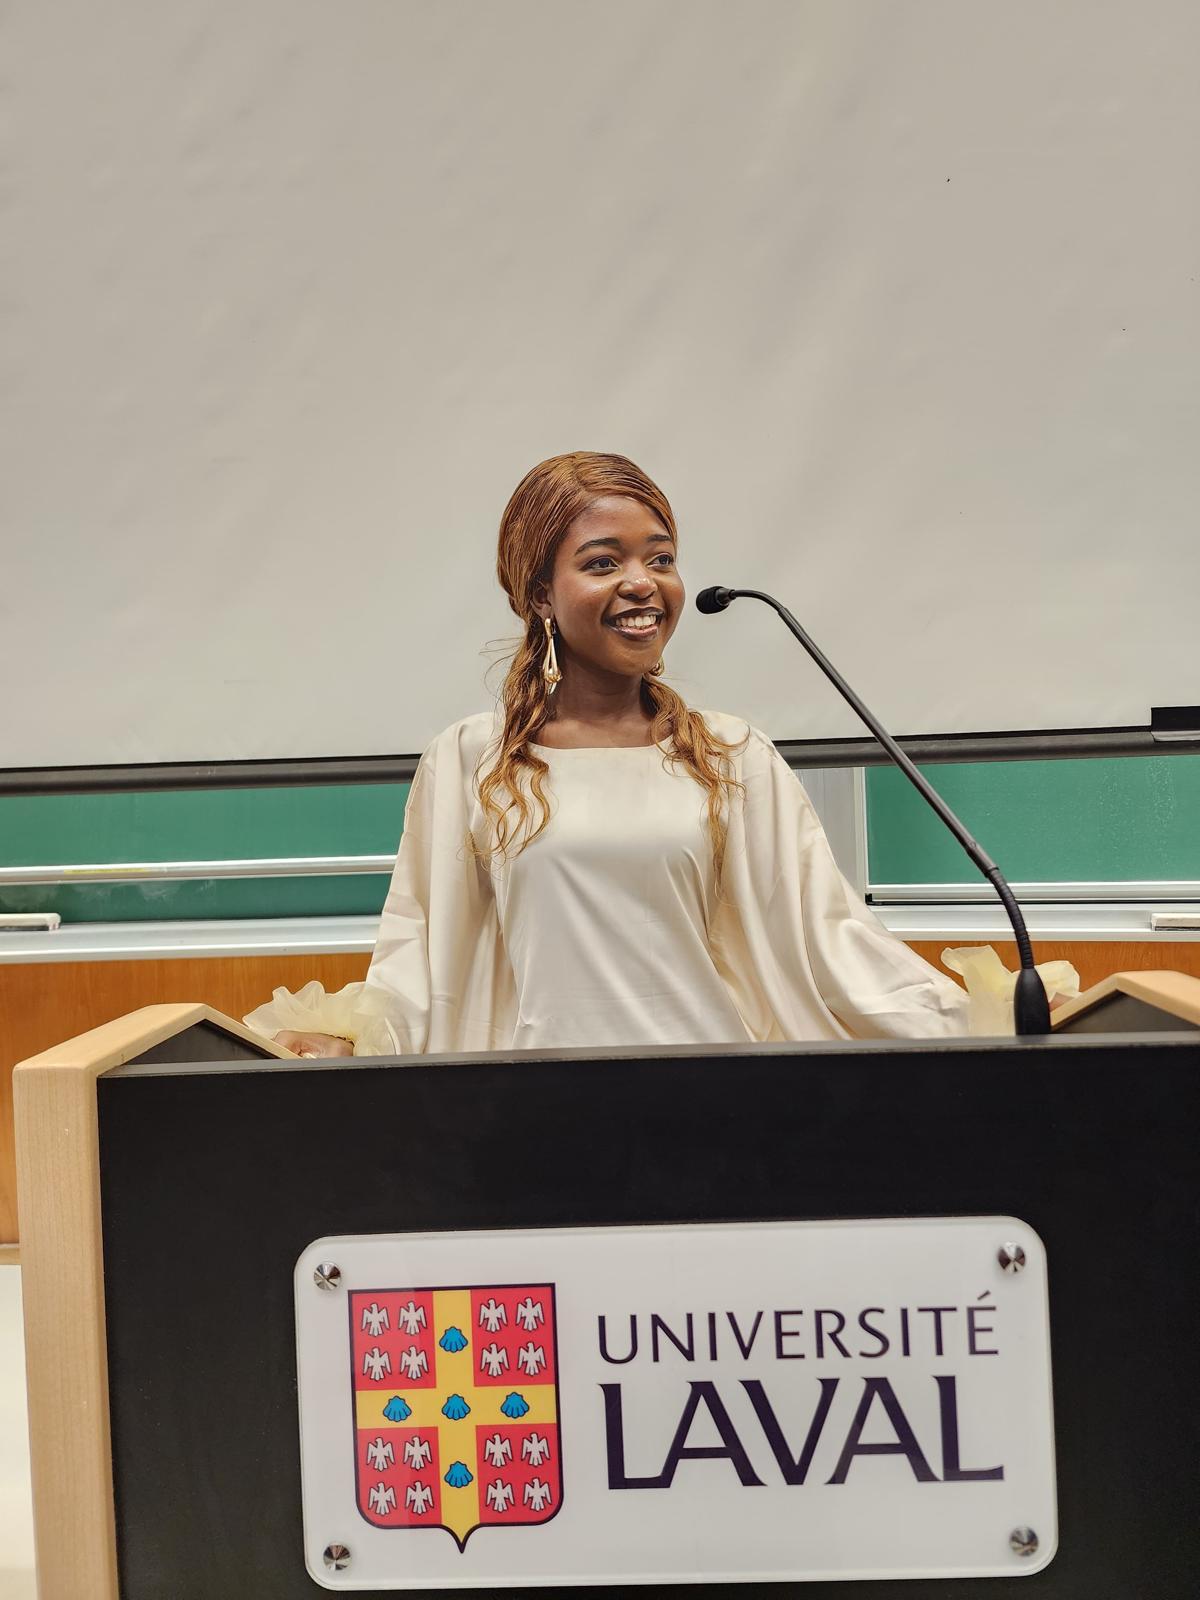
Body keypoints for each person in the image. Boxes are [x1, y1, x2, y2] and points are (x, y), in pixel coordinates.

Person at [245, 452, 968, 1058]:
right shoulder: (471, 760)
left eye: (661, 558)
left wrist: (977, 1022)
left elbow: (828, 941)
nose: (642, 582)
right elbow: (424, 956)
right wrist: (356, 1044)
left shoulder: (730, 754)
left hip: (715, 1101)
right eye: (602, 562)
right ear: (541, 595)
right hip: (543, 1112)